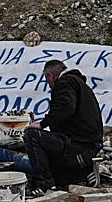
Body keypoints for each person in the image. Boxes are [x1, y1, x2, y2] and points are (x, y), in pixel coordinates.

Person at [16, 60, 105, 193]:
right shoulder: (79, 84)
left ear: (51, 76)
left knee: (32, 135)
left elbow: (66, 107)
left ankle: (44, 184)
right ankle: (84, 172)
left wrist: (42, 124)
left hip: (78, 147)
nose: (49, 85)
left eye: (47, 81)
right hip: (88, 146)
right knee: (59, 176)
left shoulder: (65, 82)